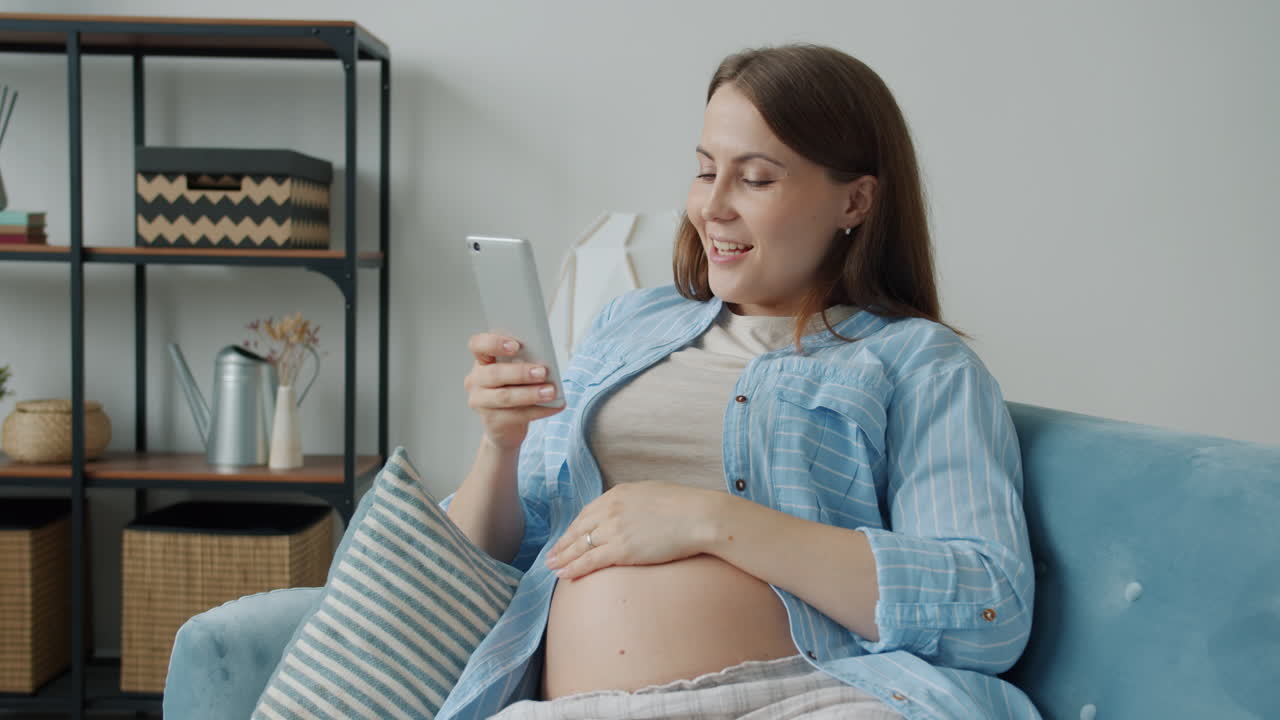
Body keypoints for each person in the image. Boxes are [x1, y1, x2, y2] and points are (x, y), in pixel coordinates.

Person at [441, 44, 1041, 720]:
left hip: (815, 698)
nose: (712, 208)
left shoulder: (917, 362)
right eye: (705, 172)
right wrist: (501, 445)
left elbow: (990, 609)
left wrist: (712, 521)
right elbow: (487, 565)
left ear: (856, 199)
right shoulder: (625, 328)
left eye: (755, 179)